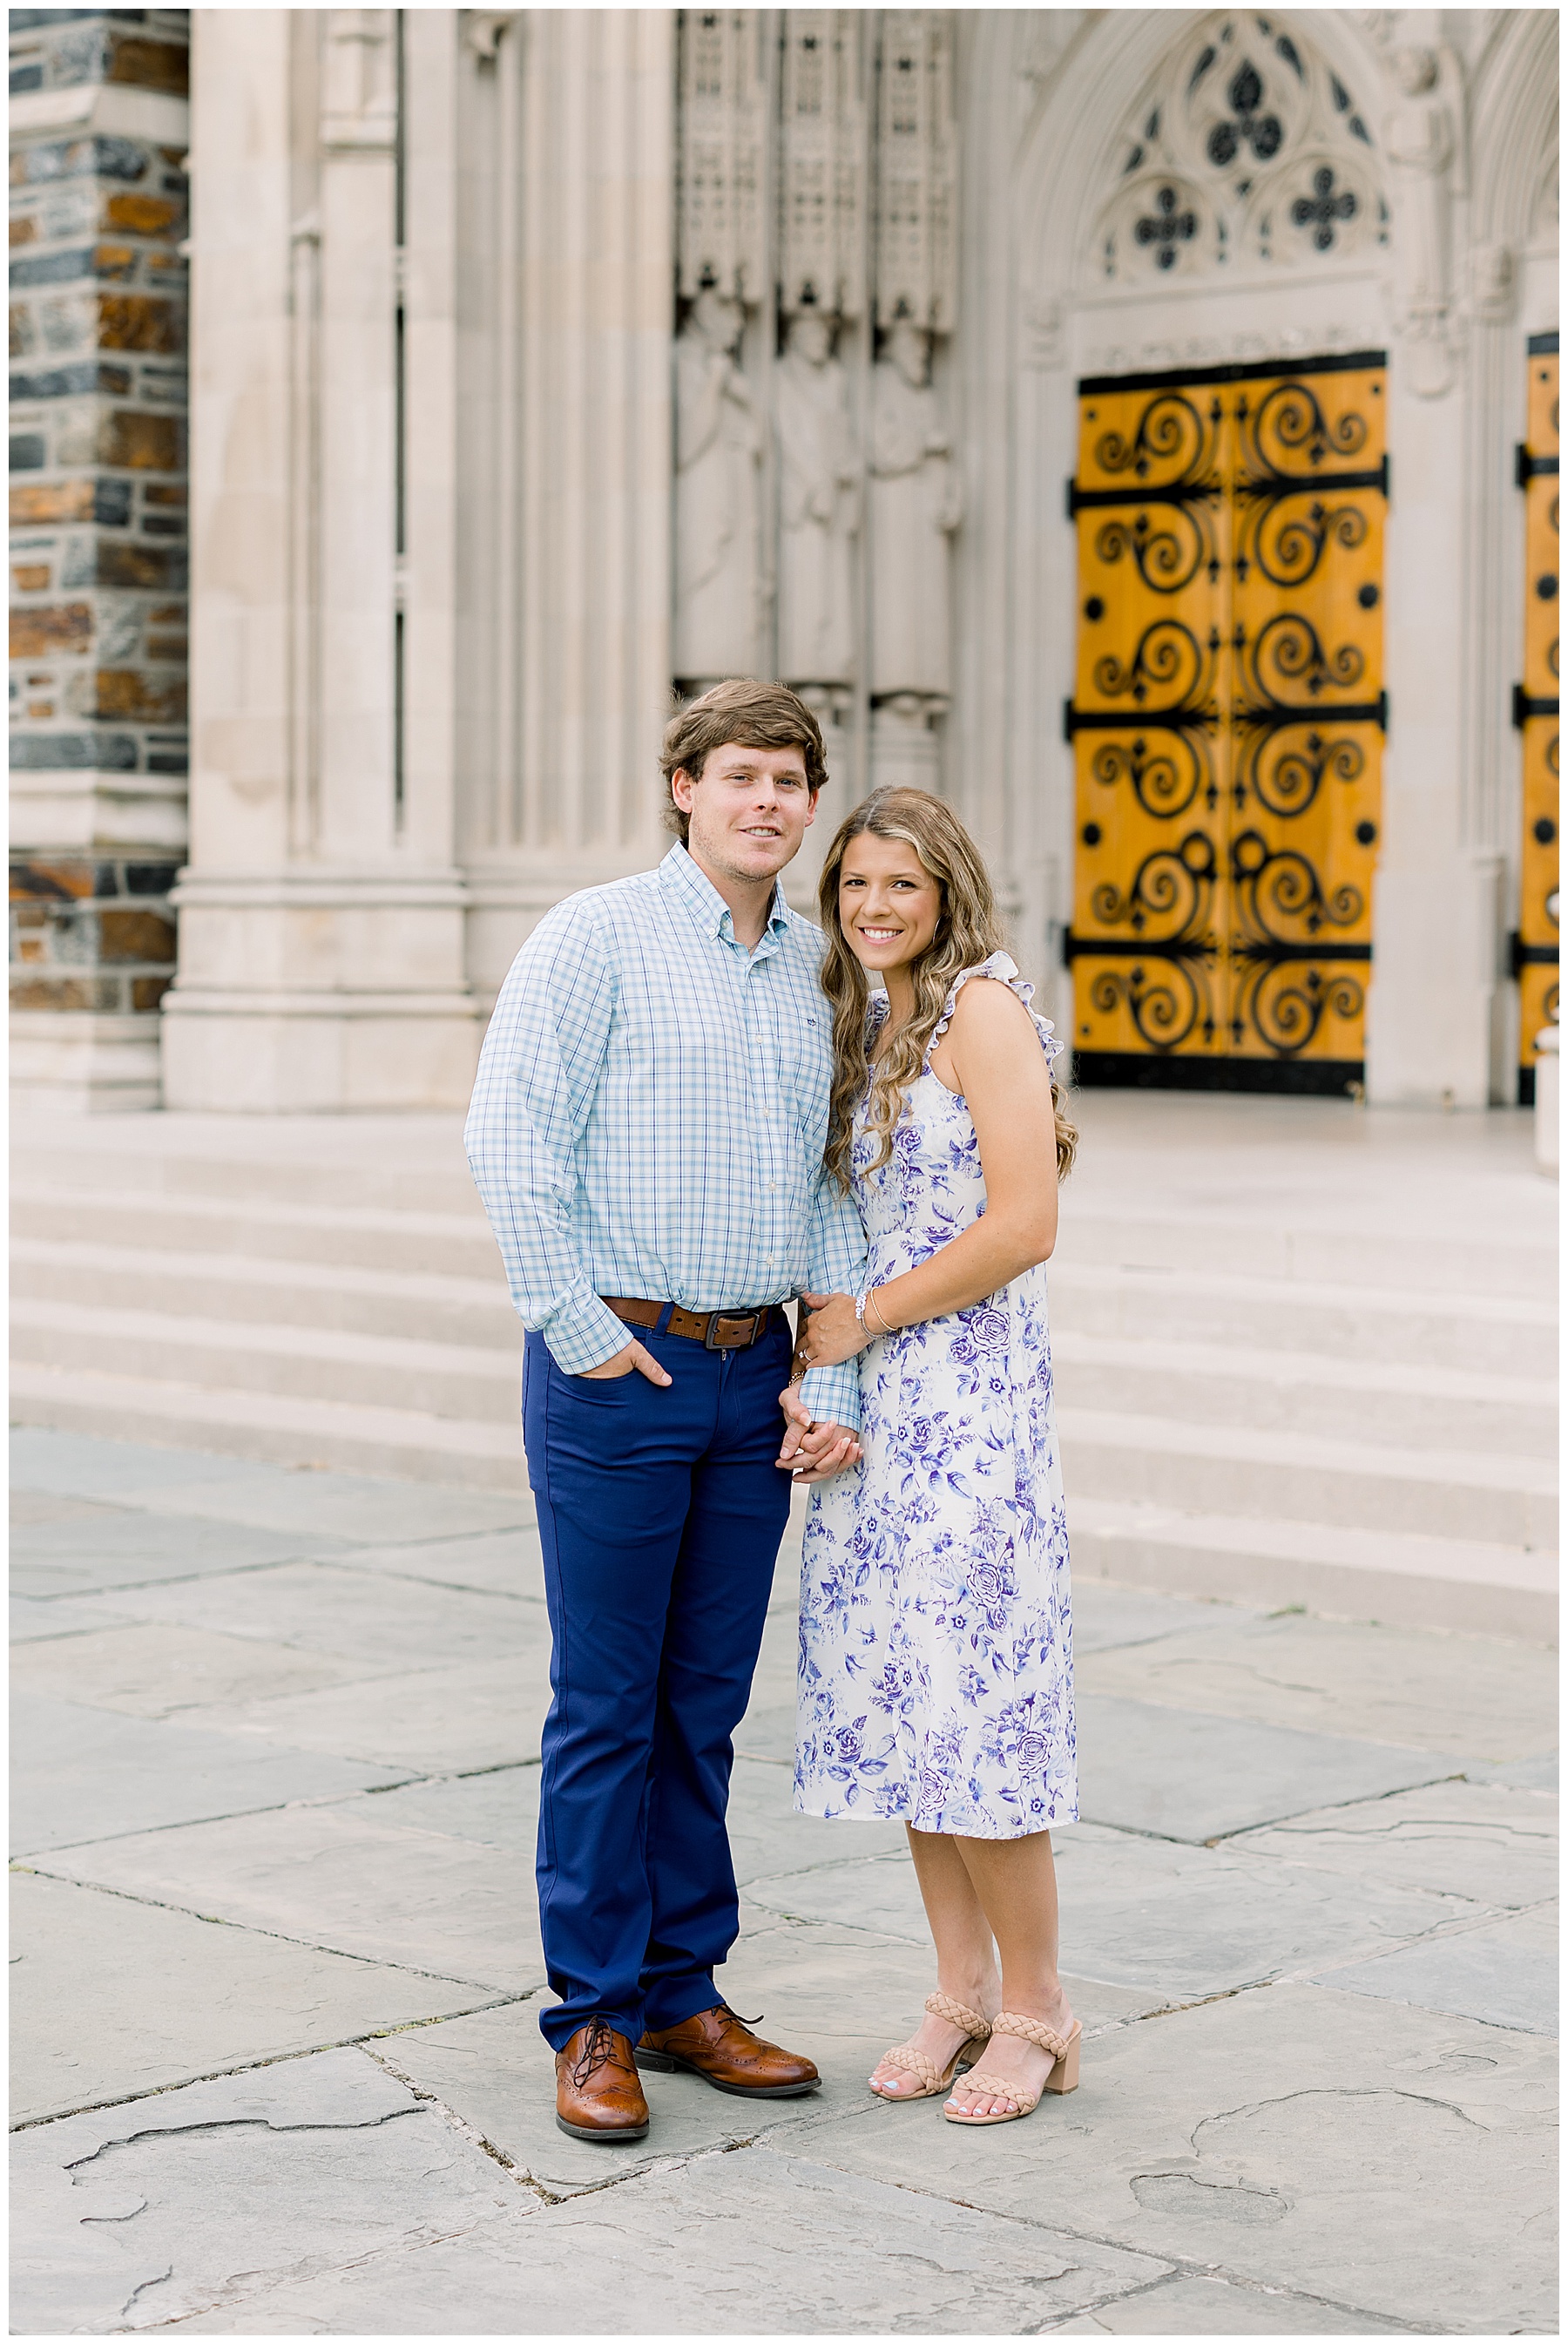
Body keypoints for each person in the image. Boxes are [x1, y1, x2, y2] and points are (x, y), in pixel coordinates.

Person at [465, 680, 868, 2145]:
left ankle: (684, 1991)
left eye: (790, 780)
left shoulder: (819, 967)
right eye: (740, 774)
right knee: (606, 1702)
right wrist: (578, 1328)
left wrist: (831, 1370)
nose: (767, 801)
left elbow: (830, 1183)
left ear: (811, 805)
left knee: (703, 1704)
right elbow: (509, 1135)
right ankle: (593, 2014)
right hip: (618, 1367)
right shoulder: (597, 936)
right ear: (684, 787)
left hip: (753, 1373)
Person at [791, 786, 1082, 2127]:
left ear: (946, 889)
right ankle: (959, 1990)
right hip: (882, 1420)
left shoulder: (983, 1010)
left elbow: (1025, 1224)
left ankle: (1041, 2007)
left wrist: (871, 1315)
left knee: (979, 1712)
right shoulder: (868, 1020)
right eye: (855, 882)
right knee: (912, 1710)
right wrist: (827, 1373)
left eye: (899, 883)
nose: (873, 905)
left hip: (973, 1414)